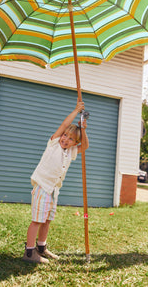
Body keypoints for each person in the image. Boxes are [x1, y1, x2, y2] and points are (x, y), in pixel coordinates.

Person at [23, 100, 89, 263]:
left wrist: (83, 129)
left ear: (75, 143)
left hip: (53, 189)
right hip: (42, 187)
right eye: (65, 135)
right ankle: (29, 253)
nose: (65, 139)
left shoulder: (71, 152)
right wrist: (75, 111)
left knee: (47, 220)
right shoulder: (53, 143)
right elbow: (65, 124)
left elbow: (86, 145)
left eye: (71, 139)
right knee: (37, 220)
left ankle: (41, 248)